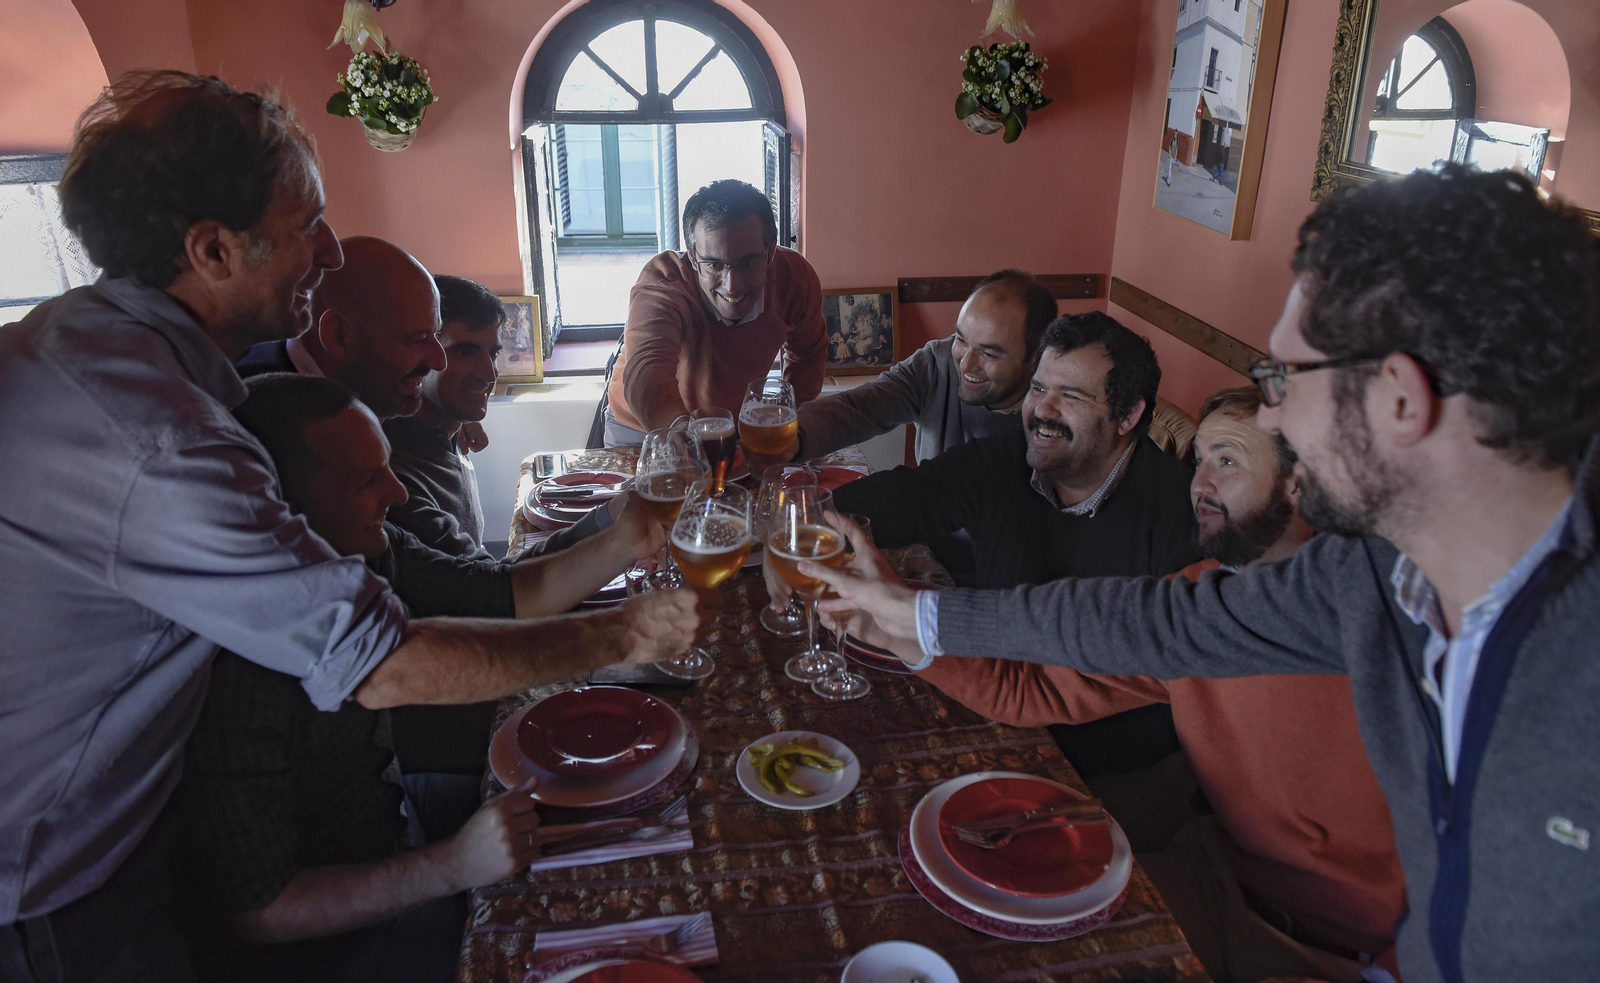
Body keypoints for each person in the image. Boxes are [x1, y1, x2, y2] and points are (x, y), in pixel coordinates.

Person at [812, 165, 1600, 983]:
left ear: (1401, 400)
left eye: (1288, 378)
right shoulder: (1369, 576)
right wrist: (918, 617)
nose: (1273, 413)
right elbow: (1153, 622)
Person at [0, 71, 695, 982]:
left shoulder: (87, 342)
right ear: (211, 249)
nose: (328, 249)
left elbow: (455, 592)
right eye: (305, 226)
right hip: (56, 880)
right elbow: (382, 665)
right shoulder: (166, 440)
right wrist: (627, 630)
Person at [177, 373, 661, 982]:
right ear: (284, 514)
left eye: (386, 464)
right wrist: (452, 866)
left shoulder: (361, 547)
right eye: (365, 482)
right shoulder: (237, 677)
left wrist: (621, 536)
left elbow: (498, 595)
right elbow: (258, 912)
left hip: (396, 822)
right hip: (325, 945)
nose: (399, 493)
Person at [919, 386, 1403, 983]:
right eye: (1198, 459)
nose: (1199, 482)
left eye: (1226, 460)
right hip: (1217, 880)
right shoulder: (1197, 601)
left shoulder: (1388, 628)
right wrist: (899, 634)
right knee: (1010, 937)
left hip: (1354, 952)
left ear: (1298, 484)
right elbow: (1033, 689)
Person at [831, 312, 1200, 779]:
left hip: (1099, 766)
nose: (1042, 410)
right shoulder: (1007, 459)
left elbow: (1136, 702)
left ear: (1127, 416)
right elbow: (907, 497)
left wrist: (907, 624)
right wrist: (802, 527)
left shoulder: (1180, 523)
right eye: (1039, 388)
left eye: (1071, 396)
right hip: (992, 698)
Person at [383, 275, 617, 561]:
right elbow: (487, 586)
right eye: (465, 351)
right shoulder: (396, 481)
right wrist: (610, 522)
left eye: (492, 353)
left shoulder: (445, 423)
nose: (490, 374)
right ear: (421, 353)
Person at [603, 179, 827, 453]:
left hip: (730, 427)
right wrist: (676, 426)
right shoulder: (663, 282)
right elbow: (646, 372)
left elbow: (808, 354)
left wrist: (787, 416)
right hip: (641, 428)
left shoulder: (795, 279)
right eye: (714, 264)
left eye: (747, 262)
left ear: (770, 250)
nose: (732, 286)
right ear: (693, 256)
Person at [794, 269, 1056, 463]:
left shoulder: (1062, 410)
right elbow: (864, 406)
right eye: (961, 340)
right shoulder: (937, 363)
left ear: (1036, 356)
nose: (965, 364)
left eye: (989, 353)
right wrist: (792, 437)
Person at [235, 234, 448, 421]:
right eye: (417, 339)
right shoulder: (251, 417)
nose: (439, 361)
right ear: (338, 334)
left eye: (436, 333)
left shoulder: (368, 388)